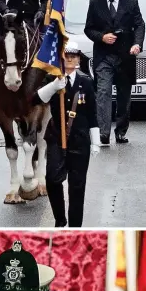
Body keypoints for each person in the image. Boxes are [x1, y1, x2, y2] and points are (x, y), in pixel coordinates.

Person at [36, 40, 100, 227]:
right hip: (57, 138)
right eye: (67, 55)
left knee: (77, 187)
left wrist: (95, 141)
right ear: (61, 58)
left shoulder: (86, 82)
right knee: (52, 180)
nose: (70, 58)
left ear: (79, 58)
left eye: (74, 55)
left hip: (80, 141)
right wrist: (54, 86)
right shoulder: (52, 79)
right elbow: (36, 99)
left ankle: (75, 227)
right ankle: (60, 219)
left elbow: (92, 114)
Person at [84, 0, 145, 145]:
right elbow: (88, 29)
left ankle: (121, 131)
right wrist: (101, 37)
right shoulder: (94, 3)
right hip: (104, 56)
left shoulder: (131, 3)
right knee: (103, 92)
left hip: (125, 56)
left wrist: (137, 44)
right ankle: (103, 133)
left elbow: (140, 25)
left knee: (124, 96)